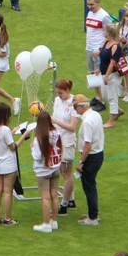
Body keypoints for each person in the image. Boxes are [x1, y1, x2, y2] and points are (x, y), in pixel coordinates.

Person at [0, 102, 29, 226]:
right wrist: (24, 136)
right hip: (8, 165)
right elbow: (13, 147)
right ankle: (7, 219)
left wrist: (12, 132)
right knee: (7, 192)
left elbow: (2, 139)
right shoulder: (5, 129)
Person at [74, 93, 105, 226]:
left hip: (91, 157)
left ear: (82, 107)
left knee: (89, 187)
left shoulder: (86, 121)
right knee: (91, 185)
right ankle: (93, 213)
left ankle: (93, 218)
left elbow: (88, 144)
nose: (75, 110)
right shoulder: (96, 115)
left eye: (75, 107)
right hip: (98, 154)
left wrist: (81, 162)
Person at [30, 112, 62, 233]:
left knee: (45, 197)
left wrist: (32, 147)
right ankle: (54, 221)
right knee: (54, 195)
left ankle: (46, 224)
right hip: (55, 168)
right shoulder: (57, 133)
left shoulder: (39, 138)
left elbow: (37, 157)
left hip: (44, 171)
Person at [51, 80, 79, 215]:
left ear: (68, 91)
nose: (59, 95)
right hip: (56, 140)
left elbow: (72, 127)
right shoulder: (57, 101)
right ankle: (71, 199)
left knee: (67, 173)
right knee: (63, 172)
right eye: (57, 93)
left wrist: (56, 121)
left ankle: (64, 205)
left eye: (61, 93)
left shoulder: (74, 104)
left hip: (67, 142)